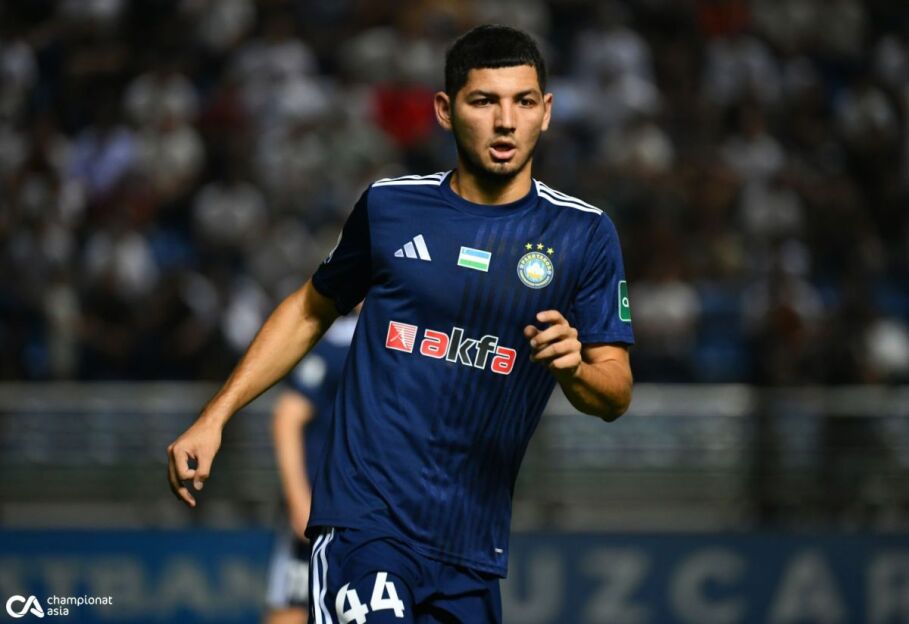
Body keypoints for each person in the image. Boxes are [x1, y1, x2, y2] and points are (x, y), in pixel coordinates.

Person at [168, 25, 634, 624]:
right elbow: (310, 309)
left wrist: (575, 372)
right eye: (483, 101)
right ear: (445, 110)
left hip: (471, 549)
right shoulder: (391, 207)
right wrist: (215, 415)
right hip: (365, 526)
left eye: (522, 102)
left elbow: (615, 391)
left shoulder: (584, 235)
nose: (505, 122)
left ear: (546, 112)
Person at [264, 312, 357, 624]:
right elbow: (287, 418)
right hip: (322, 507)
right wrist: (299, 500)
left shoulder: (397, 337)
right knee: (294, 607)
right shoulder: (336, 344)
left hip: (361, 509)